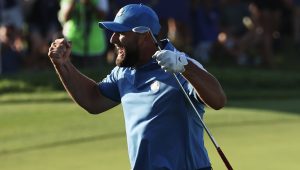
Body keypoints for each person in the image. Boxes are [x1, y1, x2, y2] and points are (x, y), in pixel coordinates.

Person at [48, 4, 226, 170]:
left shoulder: (178, 64)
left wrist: (185, 66)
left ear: (143, 35)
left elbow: (218, 100)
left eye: (120, 33)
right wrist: (63, 65)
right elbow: (93, 100)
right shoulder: (123, 72)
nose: (113, 39)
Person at [58, 0, 109, 68]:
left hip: (94, 46)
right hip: (72, 45)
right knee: (71, 75)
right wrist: (73, 3)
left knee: (94, 76)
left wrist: (90, 4)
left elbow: (103, 16)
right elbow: (65, 17)